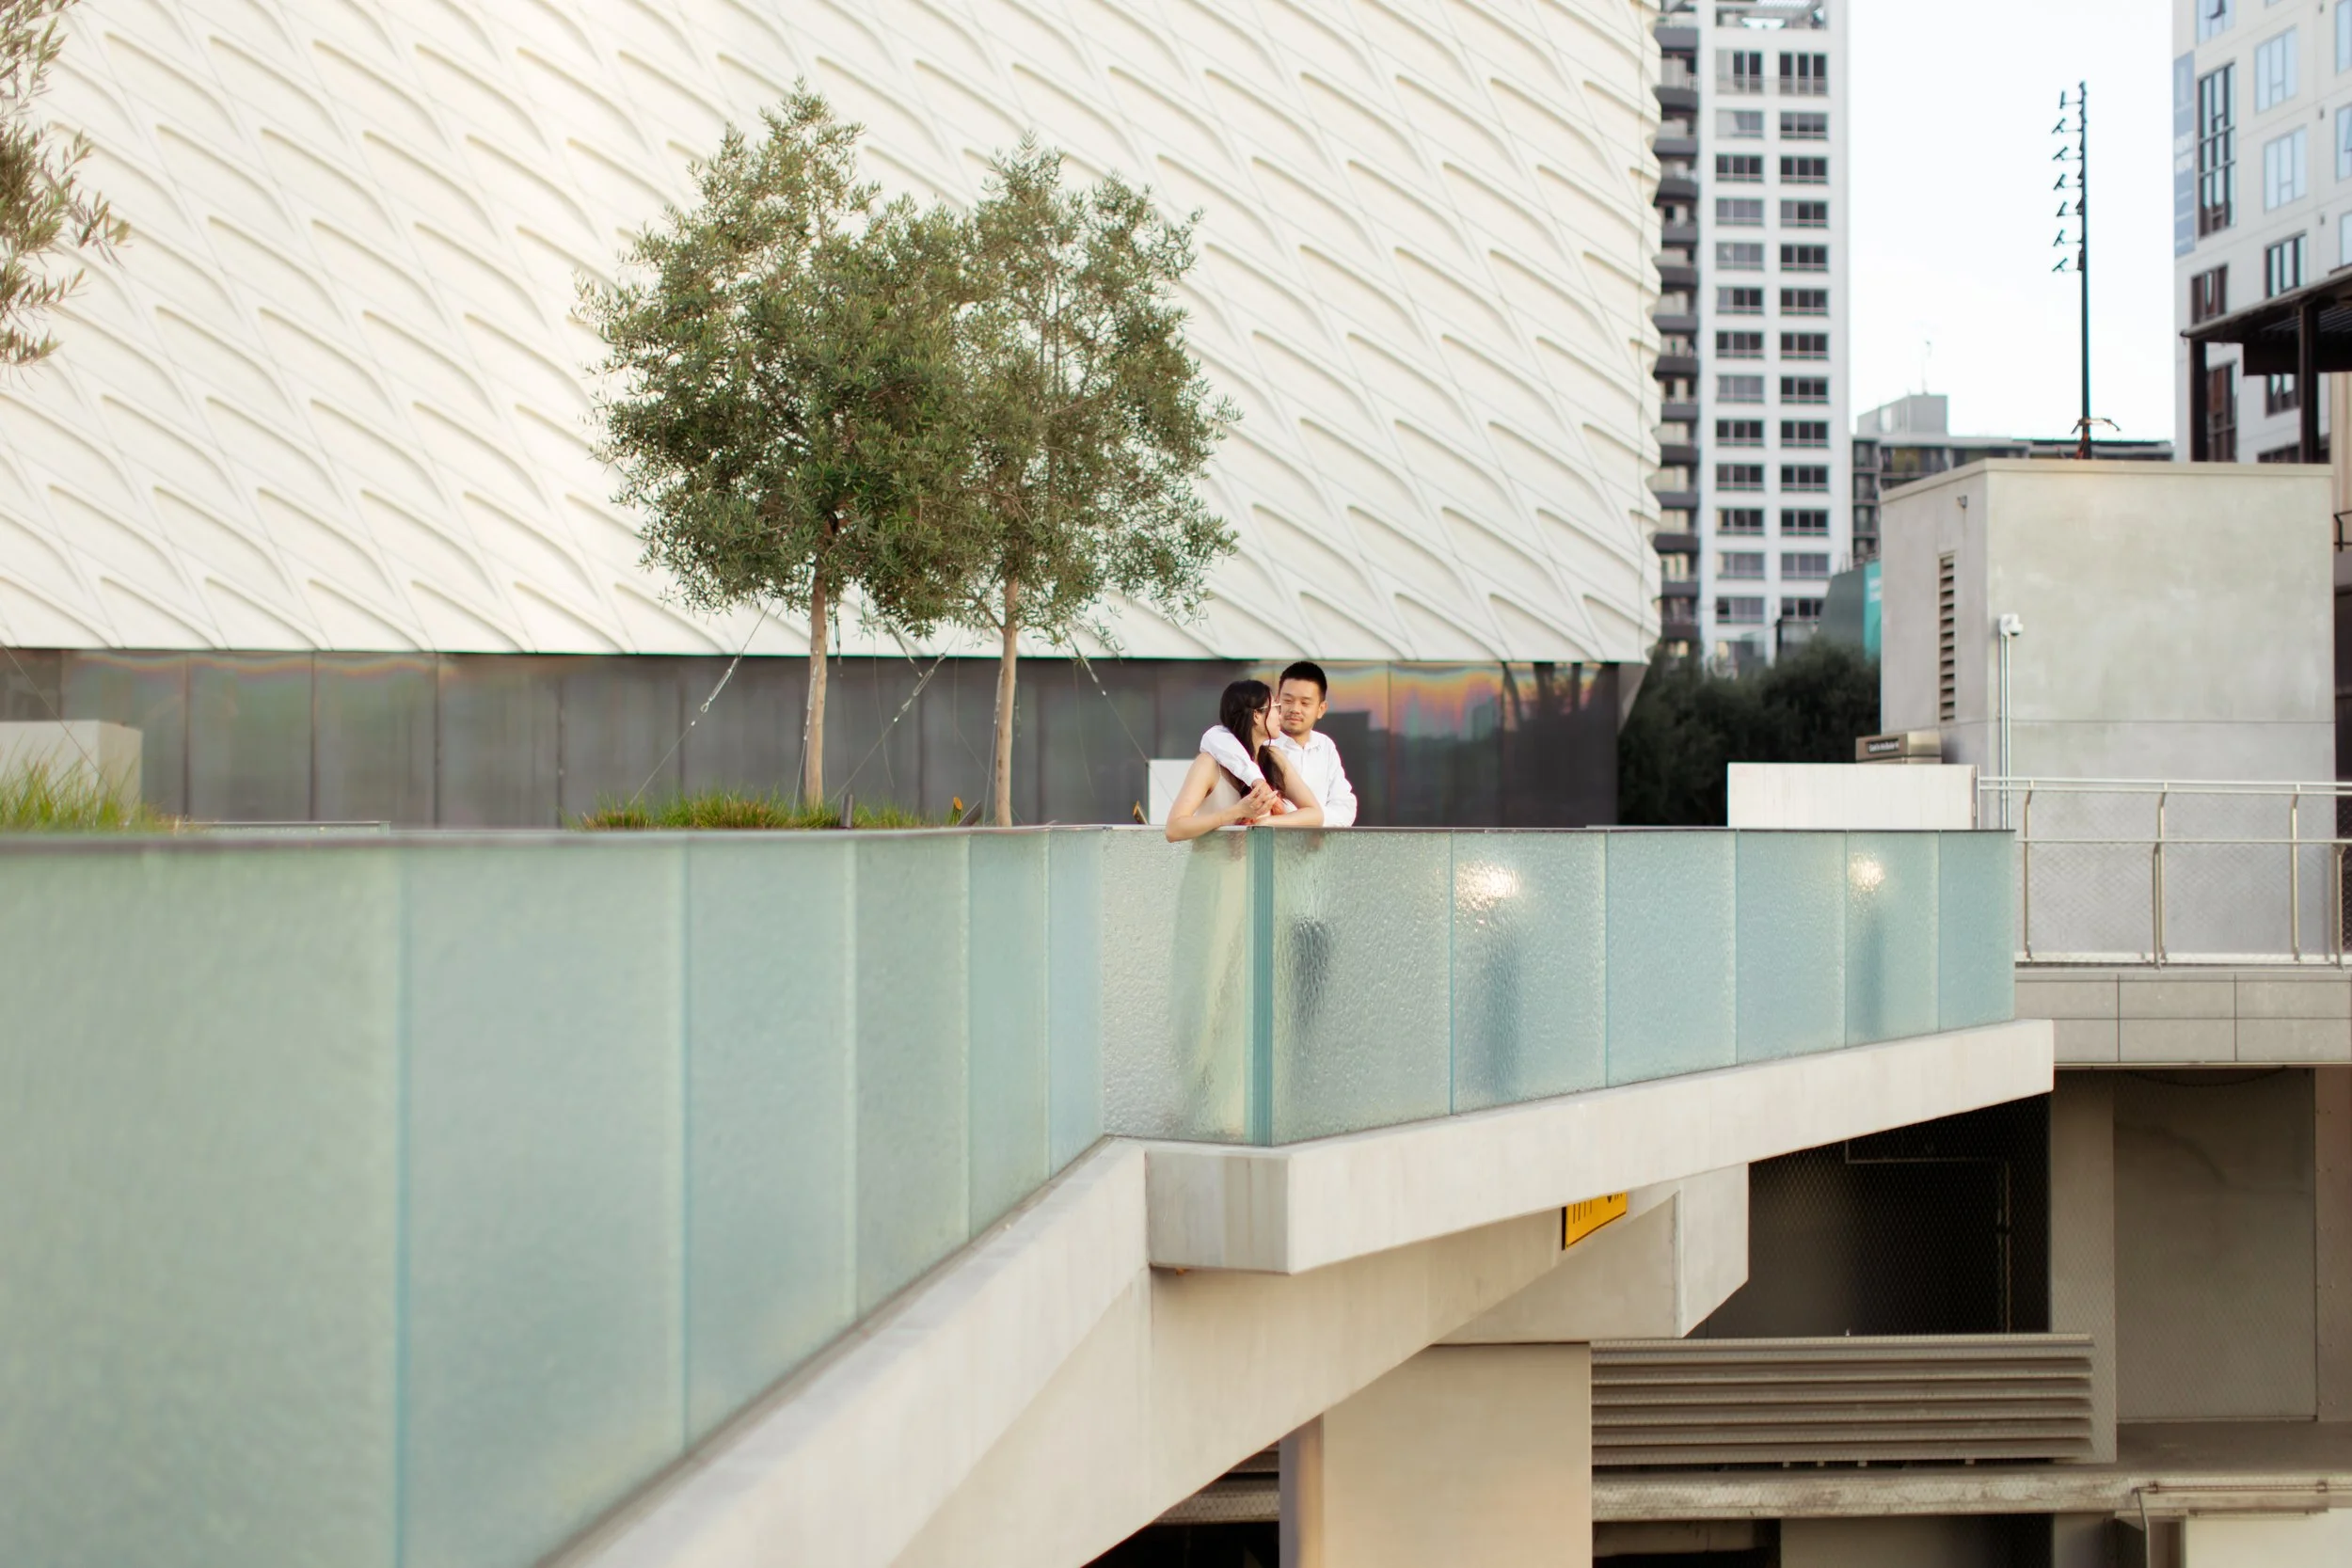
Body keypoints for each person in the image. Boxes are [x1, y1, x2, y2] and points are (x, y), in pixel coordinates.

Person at [1194, 660, 1359, 827]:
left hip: (1312, 847)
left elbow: (1345, 806)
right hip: (1264, 845)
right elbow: (1215, 737)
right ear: (1276, 701)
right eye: (1287, 701)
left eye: (1305, 703)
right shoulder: (1260, 747)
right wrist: (1257, 782)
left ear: (1321, 709)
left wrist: (1300, 820)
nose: (1295, 709)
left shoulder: (1325, 746)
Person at [1164, 678, 1324, 841]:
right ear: (1256, 715)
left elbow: (1315, 814)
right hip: (1211, 865)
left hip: (1259, 865)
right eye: (1276, 707)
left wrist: (1266, 822)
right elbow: (1174, 829)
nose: (1280, 715)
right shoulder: (1208, 763)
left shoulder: (1274, 758)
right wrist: (1237, 812)